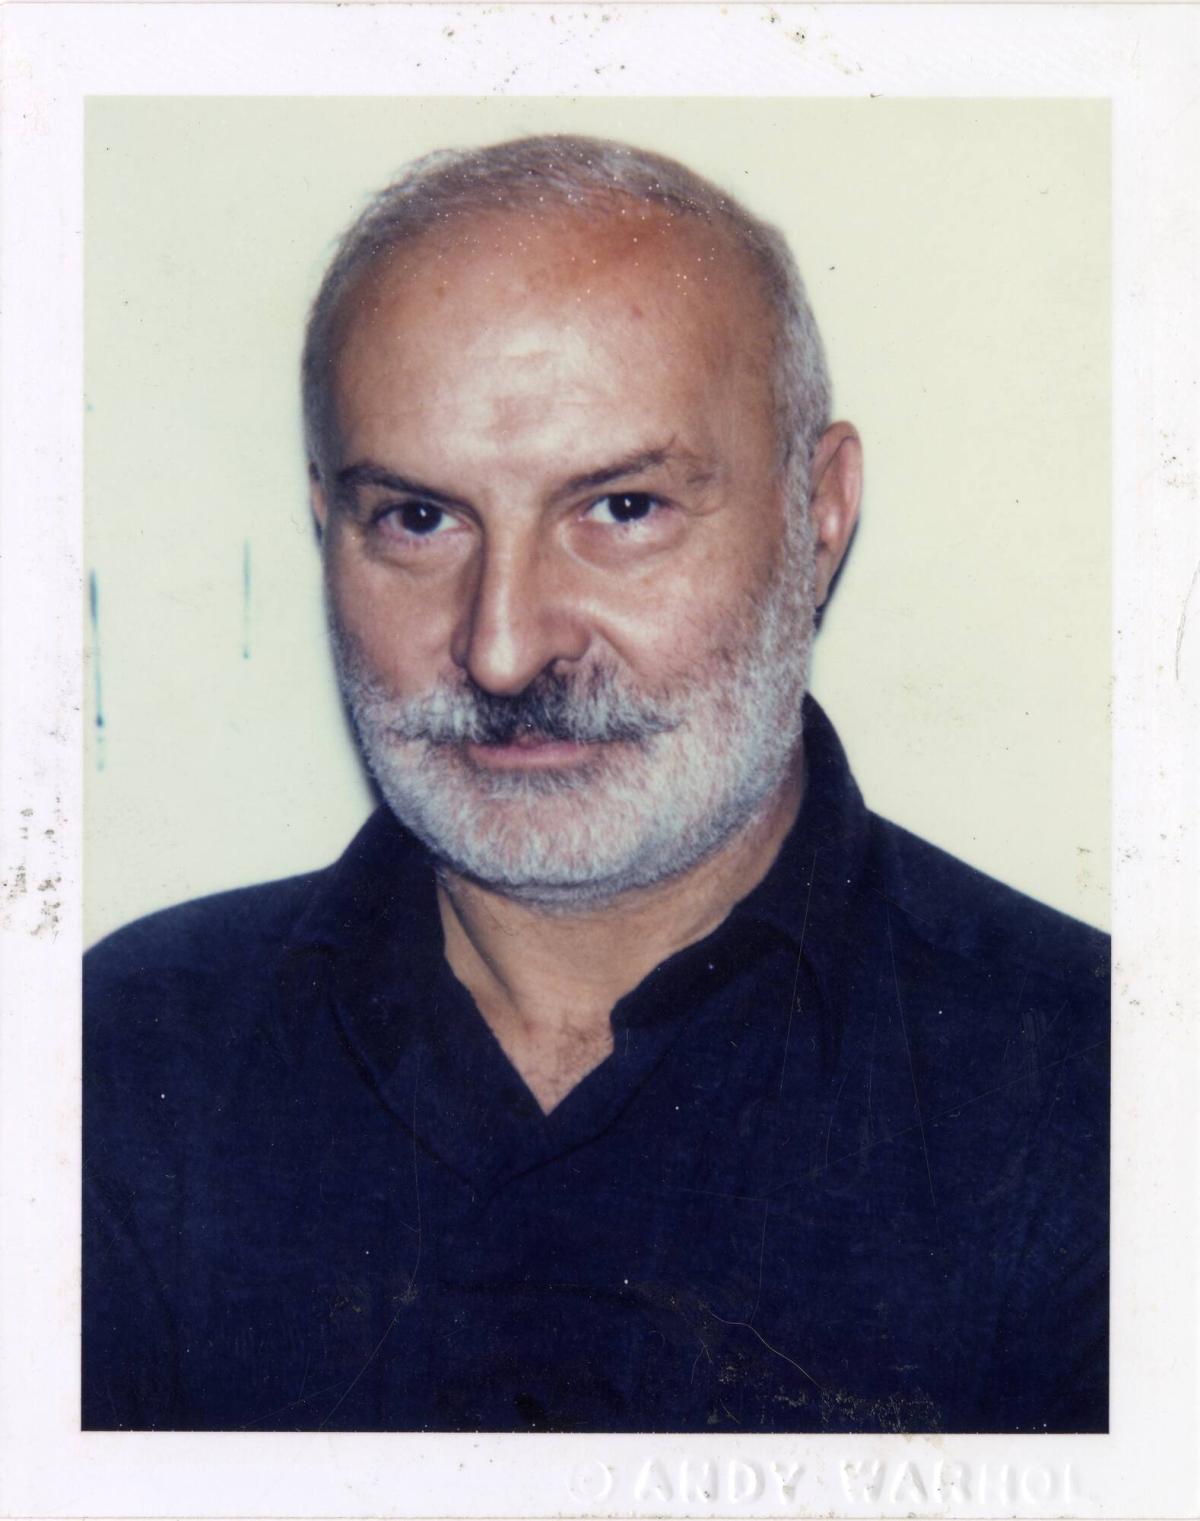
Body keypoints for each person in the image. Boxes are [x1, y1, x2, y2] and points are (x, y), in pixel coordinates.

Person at [83, 134, 1108, 1434]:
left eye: (620, 508)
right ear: (326, 521)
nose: (503, 647)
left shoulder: (1103, 1088)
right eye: (418, 518)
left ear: (818, 510)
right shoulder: (115, 1063)